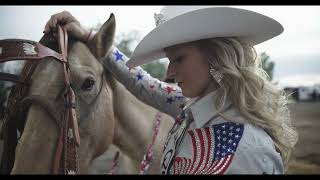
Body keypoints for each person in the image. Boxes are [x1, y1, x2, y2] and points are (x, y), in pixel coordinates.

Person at [44, 6, 298, 174]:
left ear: (216, 56)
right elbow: (142, 84)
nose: (168, 74)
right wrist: (90, 36)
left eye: (177, 59)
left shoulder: (248, 152)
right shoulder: (191, 106)